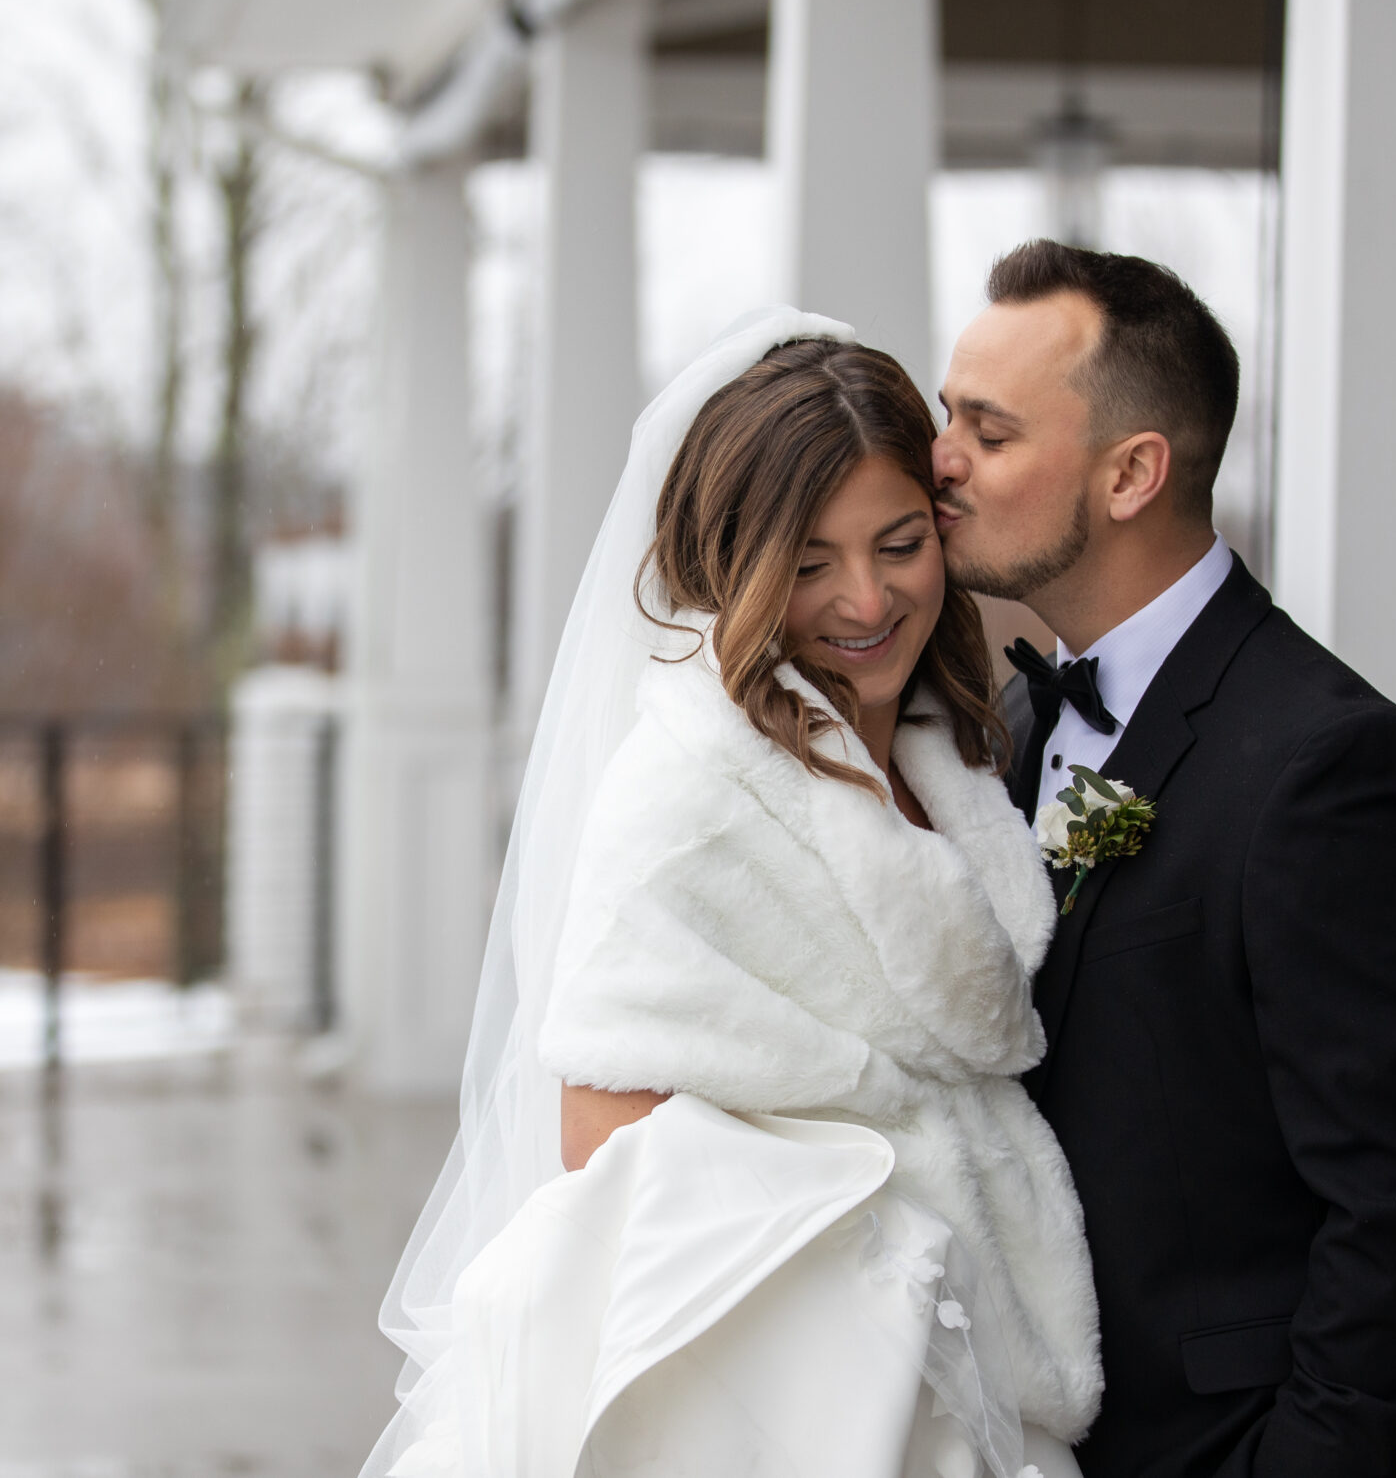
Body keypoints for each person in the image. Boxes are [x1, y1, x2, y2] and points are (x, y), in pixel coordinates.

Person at [365, 310, 1099, 1478]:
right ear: (736, 565)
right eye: (809, 564)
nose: (866, 601)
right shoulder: (682, 803)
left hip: (989, 1374)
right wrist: (890, 1258)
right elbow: (603, 1156)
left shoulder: (955, 746)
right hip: (815, 1401)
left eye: (900, 543)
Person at [930, 241, 1396, 1477]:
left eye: (988, 428)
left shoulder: (1331, 769)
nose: (940, 462)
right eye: (945, 417)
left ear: (1132, 471)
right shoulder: (1018, 727)